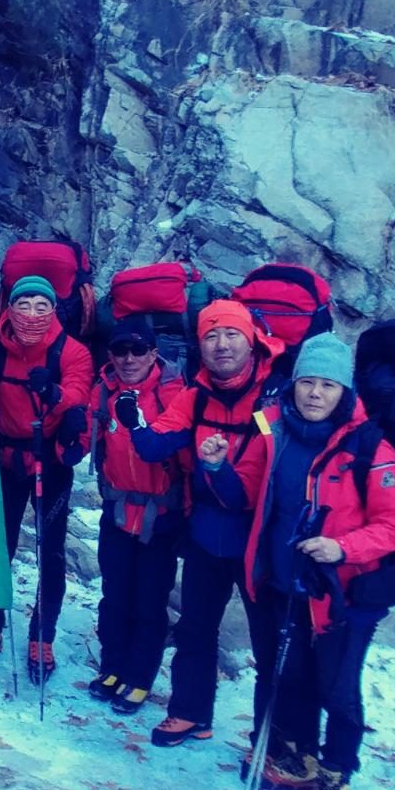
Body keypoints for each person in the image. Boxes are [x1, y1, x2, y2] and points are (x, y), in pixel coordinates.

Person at [205, 333, 395, 790]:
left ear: (344, 391)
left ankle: (335, 784)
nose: (315, 394)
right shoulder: (274, 431)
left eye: (328, 385)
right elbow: (245, 494)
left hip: (344, 596)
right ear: (294, 384)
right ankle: (299, 761)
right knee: (291, 676)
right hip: (283, 583)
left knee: (336, 690)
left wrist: (342, 548)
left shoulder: (370, 447)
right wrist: (215, 467)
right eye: (307, 382)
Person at [120, 299, 284, 745]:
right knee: (195, 627)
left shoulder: (276, 397)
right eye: (211, 335)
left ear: (251, 340)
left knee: (269, 642)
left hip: (258, 538)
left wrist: (216, 467)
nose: (221, 344)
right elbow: (155, 447)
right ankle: (189, 714)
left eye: (232, 334)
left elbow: (256, 486)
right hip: (206, 532)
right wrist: (136, 426)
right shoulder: (195, 396)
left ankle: (272, 739)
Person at [0, 274, 94, 681]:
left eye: (42, 306)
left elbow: (79, 390)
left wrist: (55, 395)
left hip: (50, 460)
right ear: (10, 307)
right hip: (6, 460)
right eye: (24, 305)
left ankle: (43, 634)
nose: (32, 314)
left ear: (54, 310)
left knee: (51, 552)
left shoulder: (72, 351)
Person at [84, 315, 189, 714]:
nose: (129, 359)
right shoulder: (102, 392)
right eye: (120, 350)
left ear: (153, 353)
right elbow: (87, 439)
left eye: (138, 350)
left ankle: (139, 676)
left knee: (149, 600)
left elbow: (185, 455)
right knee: (115, 595)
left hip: (159, 515)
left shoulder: (175, 393)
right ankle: (112, 667)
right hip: (116, 509)